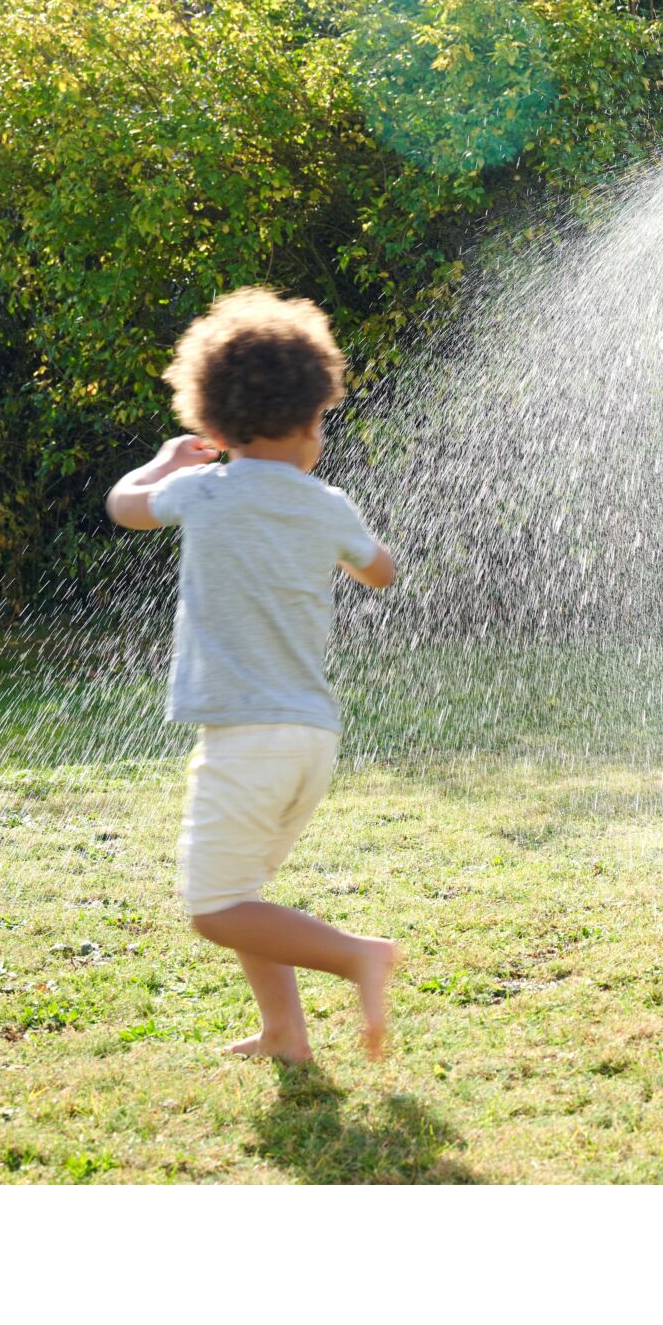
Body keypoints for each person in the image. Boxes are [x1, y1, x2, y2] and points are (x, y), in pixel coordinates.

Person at [106, 288, 401, 1057]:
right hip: (312, 739)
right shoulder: (324, 501)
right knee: (244, 892)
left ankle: (357, 956)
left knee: (216, 907)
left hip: (245, 741)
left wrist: (164, 461)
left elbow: (123, 506)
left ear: (211, 423)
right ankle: (283, 1033)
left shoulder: (202, 489)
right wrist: (347, 546)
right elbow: (382, 572)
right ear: (311, 418)